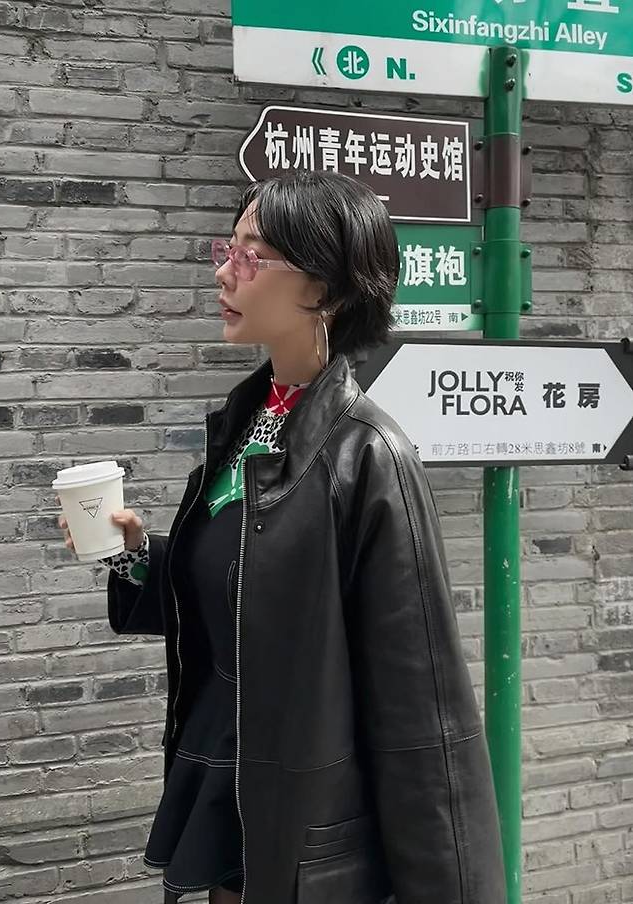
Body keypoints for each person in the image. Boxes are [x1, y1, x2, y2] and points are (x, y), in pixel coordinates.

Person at [59, 171, 506, 904]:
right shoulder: (249, 423)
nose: (224, 272)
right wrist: (139, 556)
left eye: (252, 255)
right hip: (231, 789)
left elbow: (422, 713)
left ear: (324, 287)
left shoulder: (369, 457)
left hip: (309, 835)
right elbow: (244, 596)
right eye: (227, 249)